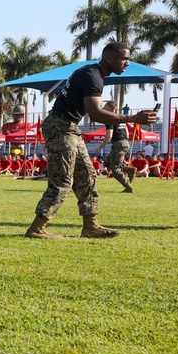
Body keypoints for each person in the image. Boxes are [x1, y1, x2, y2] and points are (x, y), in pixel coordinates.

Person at [25, 42, 157, 239]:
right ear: (109, 59)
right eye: (125, 59)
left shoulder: (93, 73)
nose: (127, 63)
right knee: (62, 180)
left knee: (87, 175)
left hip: (68, 127)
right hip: (61, 127)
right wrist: (133, 118)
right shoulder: (93, 76)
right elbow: (95, 114)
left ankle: (90, 227)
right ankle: (37, 228)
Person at [96, 100, 136, 193]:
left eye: (105, 107)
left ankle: (128, 187)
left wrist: (100, 147)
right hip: (125, 142)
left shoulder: (110, 118)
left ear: (109, 108)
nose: (104, 109)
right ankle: (129, 170)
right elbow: (126, 132)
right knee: (108, 162)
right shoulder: (120, 117)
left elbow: (109, 135)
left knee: (115, 169)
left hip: (118, 144)